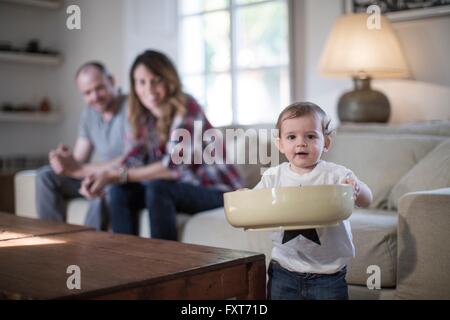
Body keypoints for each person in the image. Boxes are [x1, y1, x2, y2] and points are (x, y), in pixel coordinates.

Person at [79, 50, 243, 239]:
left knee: (158, 187)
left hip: (218, 191)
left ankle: (165, 265)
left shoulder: (187, 107)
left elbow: (172, 168)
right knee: (119, 190)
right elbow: (132, 158)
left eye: (156, 80)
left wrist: (115, 175)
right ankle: (124, 261)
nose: (148, 89)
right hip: (179, 188)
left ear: (168, 80)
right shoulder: (145, 118)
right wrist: (100, 177)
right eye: (141, 82)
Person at [254, 102, 373, 300]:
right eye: (292, 137)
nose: (301, 143)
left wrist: (357, 188)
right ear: (280, 144)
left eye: (310, 136)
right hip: (283, 269)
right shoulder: (272, 177)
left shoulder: (336, 174)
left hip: (328, 274)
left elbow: (367, 200)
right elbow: (255, 203)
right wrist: (244, 195)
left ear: (326, 143)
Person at [36, 62, 128, 230]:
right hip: (96, 174)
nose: (94, 97)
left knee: (101, 191)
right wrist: (65, 160)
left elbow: (130, 160)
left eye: (99, 88)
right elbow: (78, 161)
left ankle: (87, 251)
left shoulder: (131, 108)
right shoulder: (89, 113)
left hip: (119, 177)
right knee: (45, 176)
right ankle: (52, 240)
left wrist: (87, 171)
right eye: (87, 93)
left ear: (111, 80)